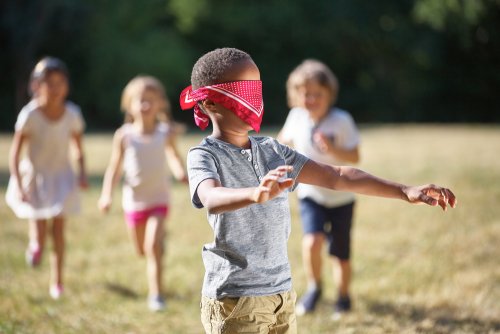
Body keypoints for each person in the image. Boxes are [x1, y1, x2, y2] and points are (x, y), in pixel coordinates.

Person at [180, 47, 456, 334]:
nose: (253, 99)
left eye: (256, 88)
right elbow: (211, 198)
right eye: (242, 90)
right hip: (235, 299)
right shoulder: (203, 155)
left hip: (281, 294)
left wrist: (404, 190)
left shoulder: (272, 150)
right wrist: (254, 193)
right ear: (210, 103)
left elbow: (337, 176)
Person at [277, 59, 360, 317]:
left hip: (341, 198)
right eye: (306, 94)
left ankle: (343, 297)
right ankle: (314, 288)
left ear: (329, 94)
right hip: (310, 194)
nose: (311, 99)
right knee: (312, 241)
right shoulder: (296, 117)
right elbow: (282, 143)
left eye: (318, 94)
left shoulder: (341, 120)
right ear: (296, 95)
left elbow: (355, 156)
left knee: (340, 254)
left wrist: (333, 150)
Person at [98, 75, 187, 312]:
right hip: (134, 202)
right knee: (141, 250)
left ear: (160, 104)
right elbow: (114, 168)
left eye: (151, 100)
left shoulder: (164, 132)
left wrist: (180, 173)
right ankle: (157, 244)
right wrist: (106, 195)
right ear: (129, 105)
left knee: (151, 247)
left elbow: (172, 156)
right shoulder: (125, 136)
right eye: (140, 100)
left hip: (159, 198)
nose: (146, 105)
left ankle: (156, 295)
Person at [5, 56, 88, 300]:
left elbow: (78, 148)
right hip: (35, 178)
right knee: (40, 231)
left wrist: (82, 172)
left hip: (61, 177)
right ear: (36, 86)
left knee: (59, 231)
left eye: (60, 82)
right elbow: (15, 153)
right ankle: (35, 246)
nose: (55, 88)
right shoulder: (29, 115)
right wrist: (19, 184)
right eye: (49, 82)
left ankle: (57, 281)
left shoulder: (72, 114)